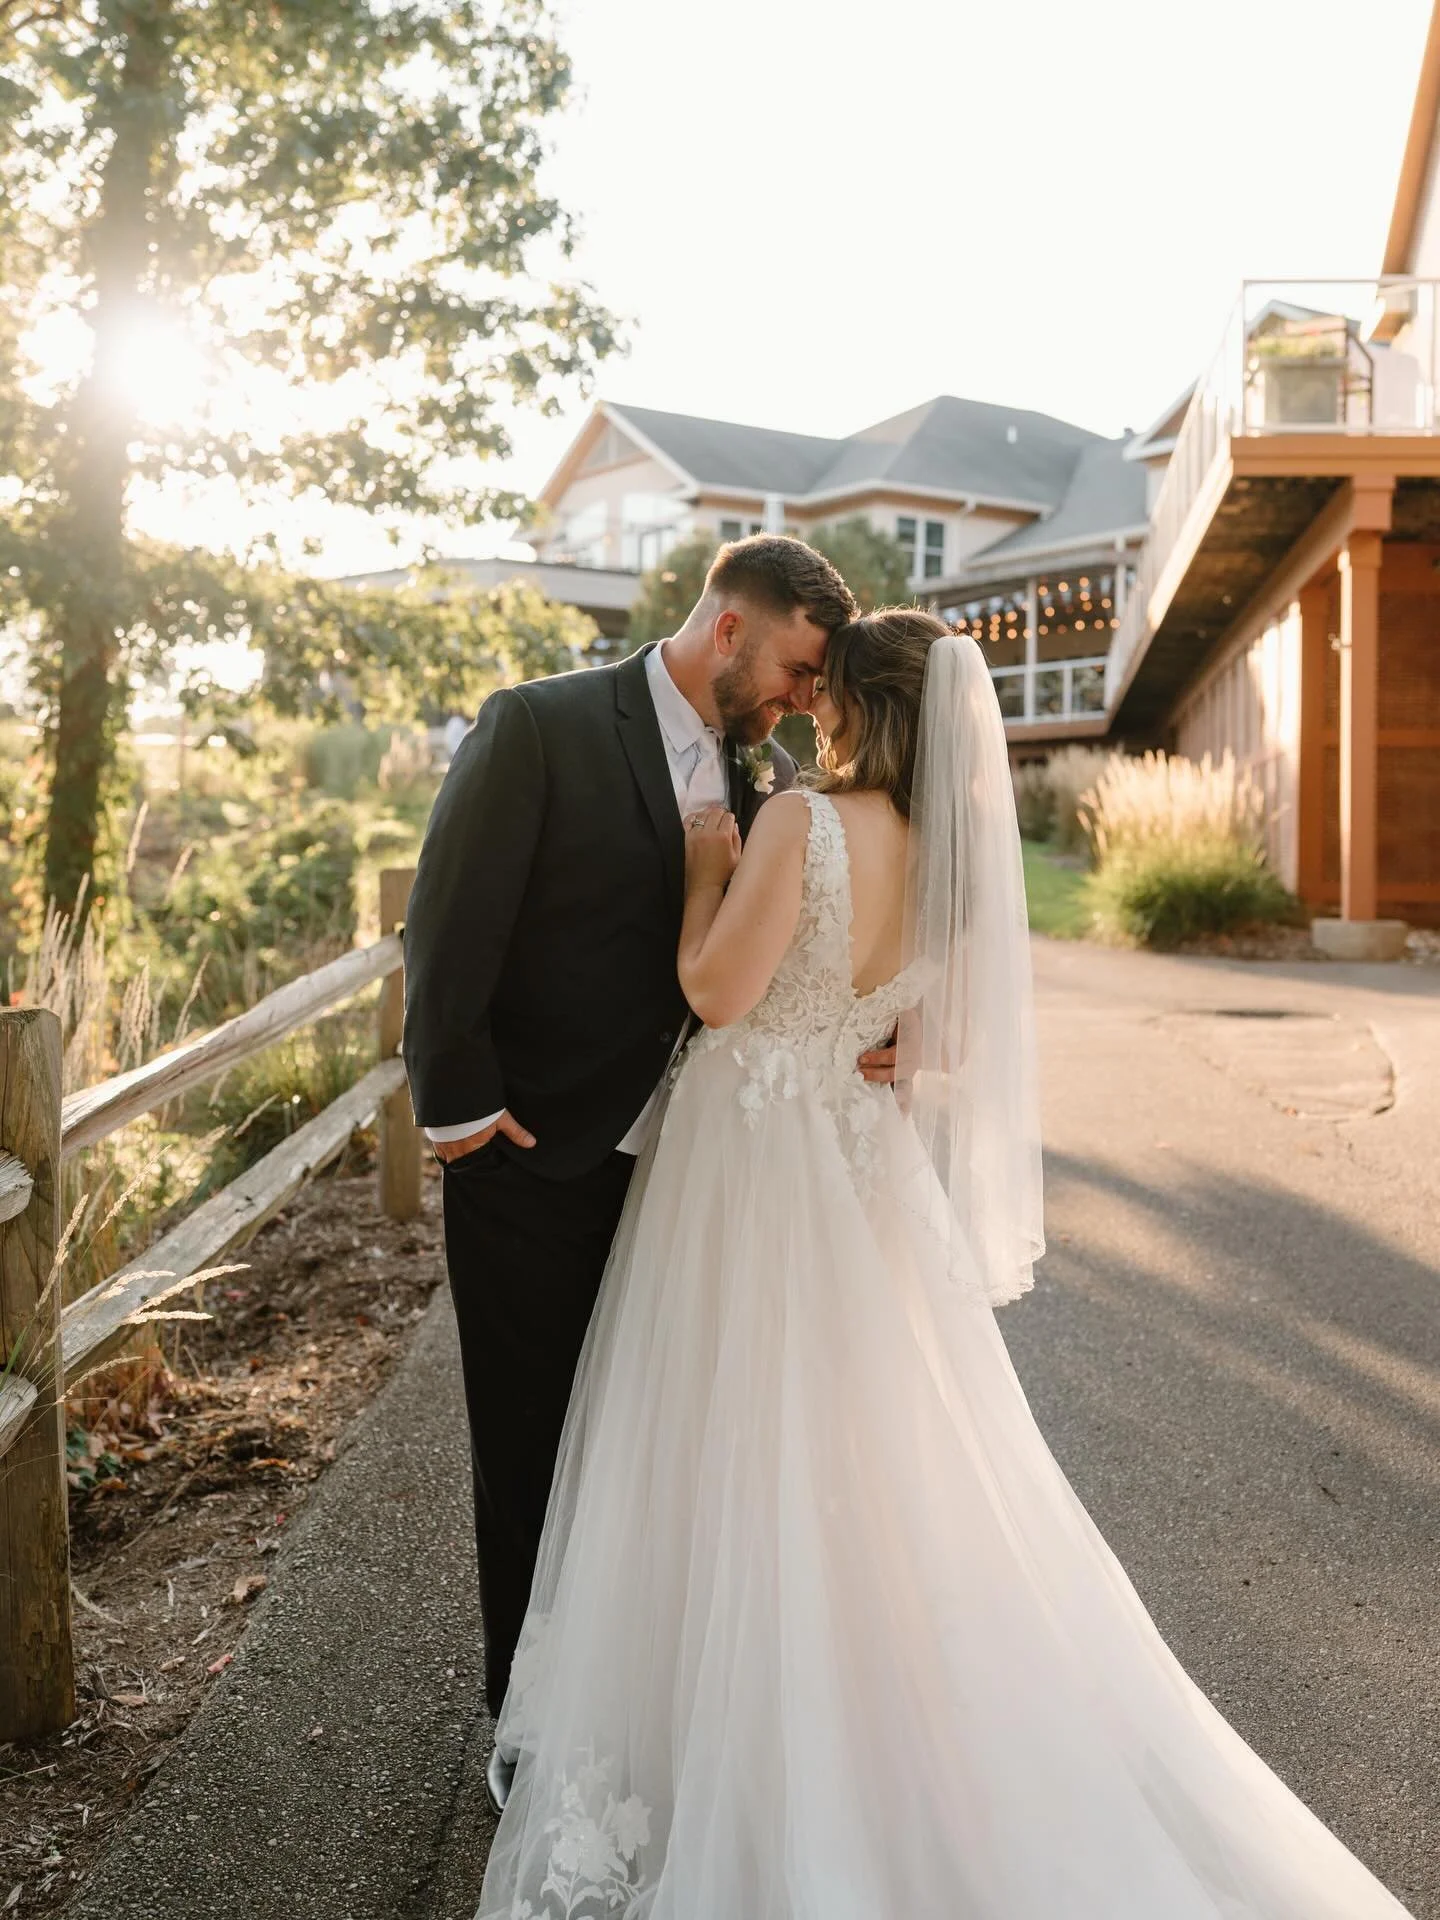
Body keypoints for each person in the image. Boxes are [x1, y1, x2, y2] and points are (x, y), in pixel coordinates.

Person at [474, 609, 1414, 1918]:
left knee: (726, 1437)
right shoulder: (950, 858)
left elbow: (713, 993)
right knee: (864, 1455)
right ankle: (860, 1714)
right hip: (855, 1171)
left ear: (857, 707)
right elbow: (945, 1042)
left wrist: (705, 871)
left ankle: (729, 1738)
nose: (807, 708)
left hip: (747, 1170)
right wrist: (870, 1044)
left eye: (824, 692)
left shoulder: (799, 824)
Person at [400, 535, 868, 1814]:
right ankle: (525, 1723)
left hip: (690, 1178)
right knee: (533, 1447)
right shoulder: (539, 726)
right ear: (728, 629)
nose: (797, 702)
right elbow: (446, 926)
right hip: (534, 1160)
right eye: (790, 669)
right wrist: (461, 1108)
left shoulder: (766, 775)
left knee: (649, 1448)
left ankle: (624, 1700)